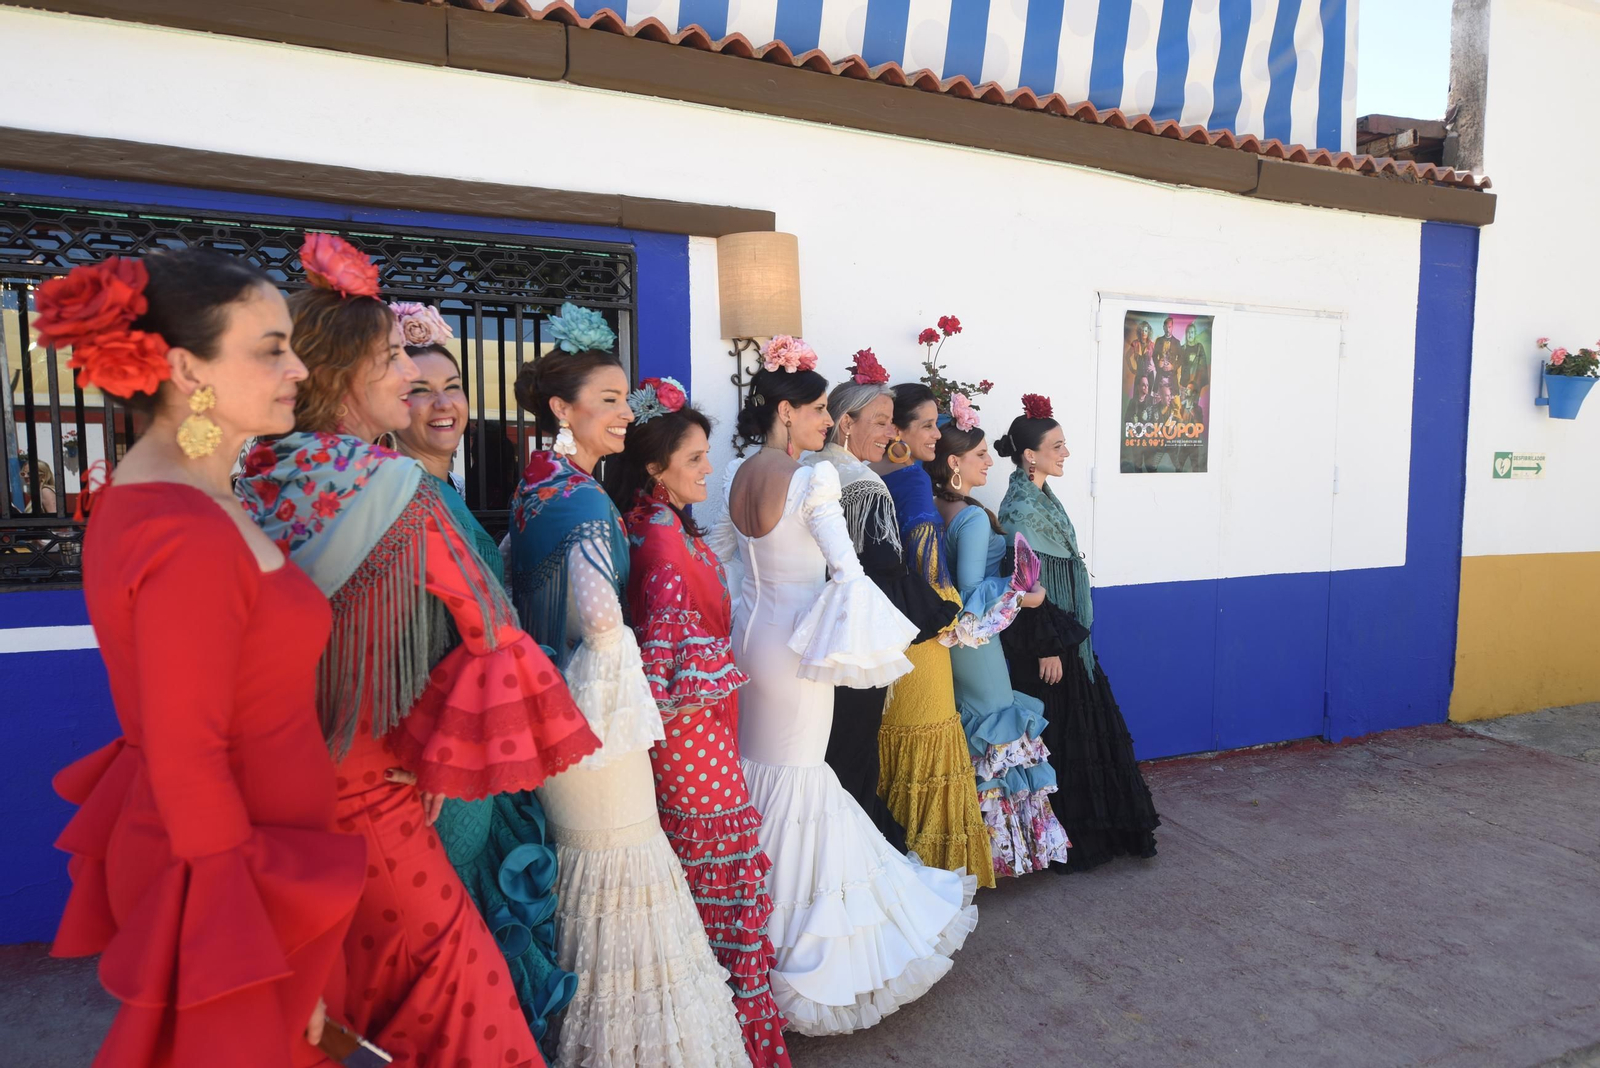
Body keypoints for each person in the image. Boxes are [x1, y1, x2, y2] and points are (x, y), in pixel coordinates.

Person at [238, 236, 600, 1068]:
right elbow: (493, 635)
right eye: (395, 361)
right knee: (456, 1005)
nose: (410, 379)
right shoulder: (400, 494)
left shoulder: (254, 479)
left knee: (340, 1002)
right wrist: (439, 756)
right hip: (378, 788)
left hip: (277, 793)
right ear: (344, 379)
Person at [46, 248, 365, 1066]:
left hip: (257, 855)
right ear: (188, 368)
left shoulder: (185, 495)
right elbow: (189, 755)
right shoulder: (183, 529)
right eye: (269, 348)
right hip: (237, 879)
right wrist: (242, 932)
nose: (297, 365)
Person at [506, 307, 748, 1068]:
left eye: (623, 399)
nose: (623, 412)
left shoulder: (535, 489)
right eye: (607, 399)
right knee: (626, 881)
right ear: (562, 410)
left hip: (551, 717)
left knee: (587, 887)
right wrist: (621, 688)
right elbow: (604, 622)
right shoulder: (581, 501)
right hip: (595, 725)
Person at [712, 345, 976, 1036]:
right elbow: (850, 574)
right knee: (800, 781)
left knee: (762, 778)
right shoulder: (809, 481)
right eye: (821, 409)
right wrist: (873, 651)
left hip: (752, 642)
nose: (827, 421)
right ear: (786, 412)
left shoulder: (740, 473)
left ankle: (749, 920)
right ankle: (802, 936)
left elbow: (730, 564)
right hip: (800, 651)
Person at [390, 304, 576, 1047]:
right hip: (446, 752)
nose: (442, 404)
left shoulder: (442, 491)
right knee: (464, 918)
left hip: (482, 741)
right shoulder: (403, 500)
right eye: (418, 389)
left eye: (453, 385)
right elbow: (405, 642)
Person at [609, 380, 790, 1068]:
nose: (708, 469)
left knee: (713, 875)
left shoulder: (663, 525)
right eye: (694, 459)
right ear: (654, 468)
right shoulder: (658, 542)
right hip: (692, 743)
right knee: (717, 871)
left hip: (702, 731)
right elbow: (664, 678)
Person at [995, 394, 1161, 872]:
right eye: (1058, 445)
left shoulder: (1041, 498)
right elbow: (1026, 582)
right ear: (1031, 454)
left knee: (1082, 731)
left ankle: (1093, 835)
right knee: (1063, 736)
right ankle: (1071, 842)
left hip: (1071, 641)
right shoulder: (1021, 510)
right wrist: (1049, 645)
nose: (1066, 453)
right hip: (1051, 647)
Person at [798, 357, 957, 851]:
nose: (891, 432)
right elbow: (881, 571)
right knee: (851, 755)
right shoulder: (864, 485)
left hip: (800, 632)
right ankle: (852, 862)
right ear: (846, 424)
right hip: (849, 641)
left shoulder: (805, 468)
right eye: (882, 421)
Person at [929, 417, 1072, 877]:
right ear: (954, 463)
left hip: (959, 643)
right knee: (997, 732)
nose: (990, 460)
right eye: (979, 455)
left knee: (979, 737)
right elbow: (971, 589)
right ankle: (996, 853)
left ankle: (977, 847)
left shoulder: (943, 507)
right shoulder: (970, 517)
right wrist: (1024, 594)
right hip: (975, 641)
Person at [872, 383, 995, 888]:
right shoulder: (911, 483)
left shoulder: (865, 475)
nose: (936, 433)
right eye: (925, 424)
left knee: (893, 745)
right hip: (923, 638)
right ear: (895, 431)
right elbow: (931, 574)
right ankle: (936, 871)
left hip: (882, 635)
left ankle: (899, 861)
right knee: (929, 740)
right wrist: (953, 622)